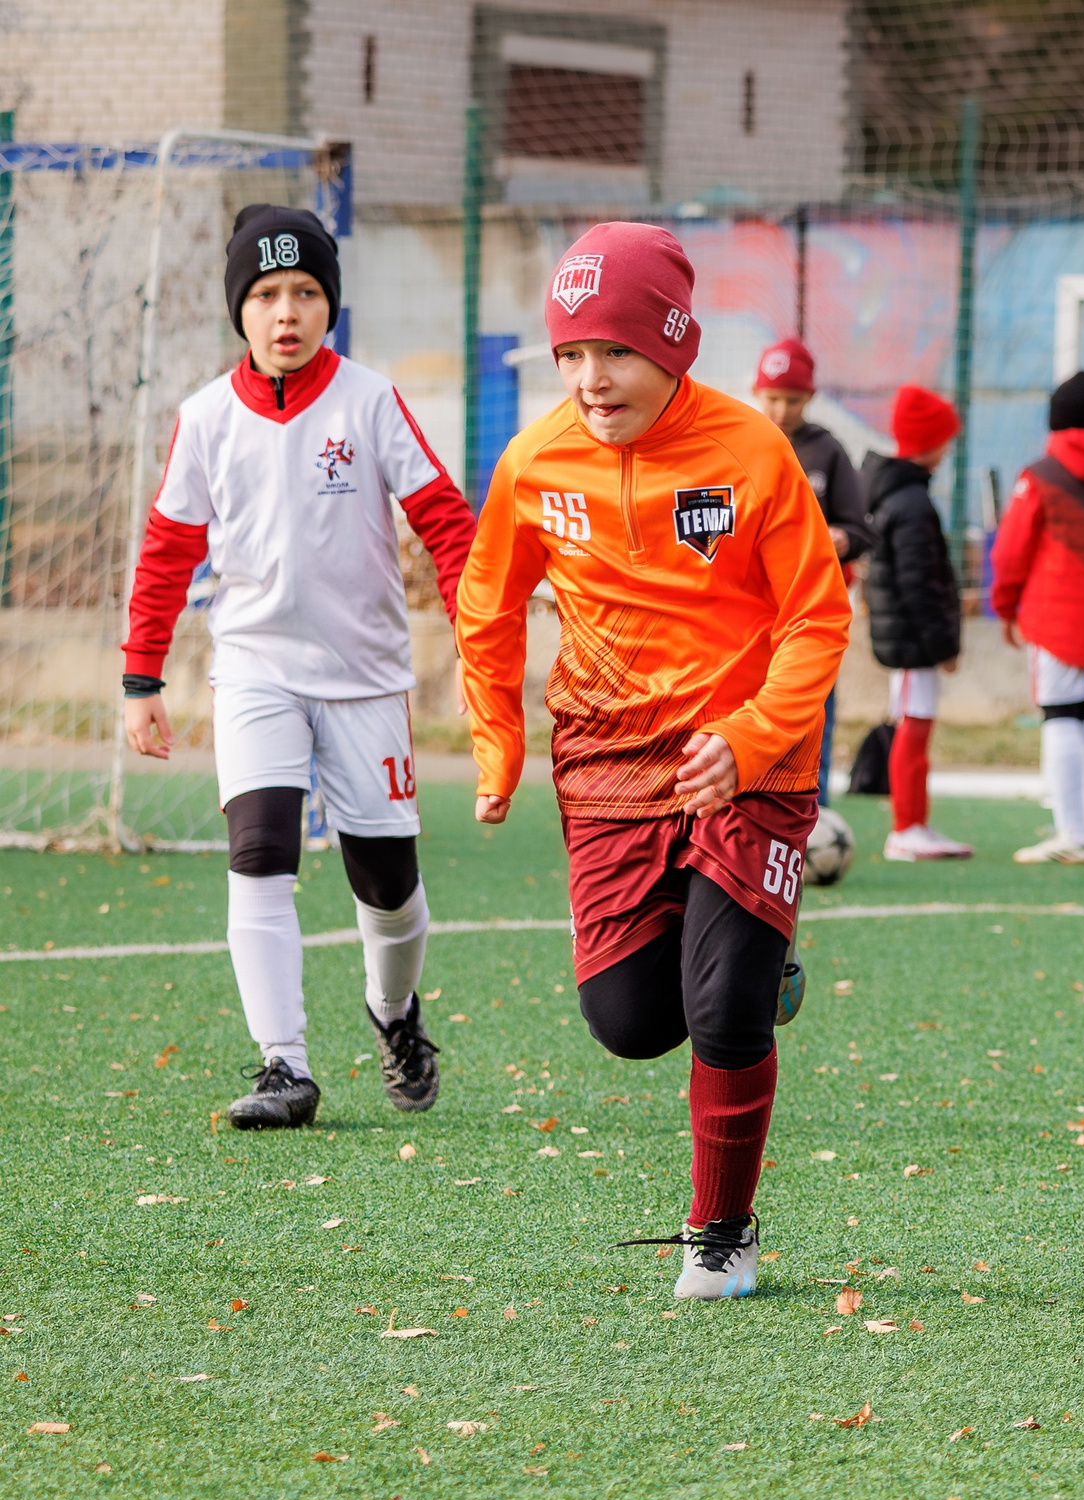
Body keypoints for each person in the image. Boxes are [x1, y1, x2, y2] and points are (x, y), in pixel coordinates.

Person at [454, 223, 850, 1301]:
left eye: (617, 353)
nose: (592, 379)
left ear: (674, 347)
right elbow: (484, 605)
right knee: (629, 1024)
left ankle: (721, 1232)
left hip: (746, 756)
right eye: (571, 356)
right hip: (611, 759)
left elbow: (818, 619)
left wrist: (754, 737)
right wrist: (497, 745)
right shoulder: (535, 463)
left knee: (719, 1011)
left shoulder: (751, 452)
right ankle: (757, 968)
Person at [121, 204, 474, 1130]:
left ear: (330, 306)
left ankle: (395, 1014)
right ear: (240, 308)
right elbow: (166, 550)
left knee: (385, 882)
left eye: (307, 293)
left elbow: (445, 518)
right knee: (260, 850)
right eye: (268, 294)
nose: (287, 312)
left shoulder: (369, 400)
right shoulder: (202, 418)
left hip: (364, 675)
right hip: (252, 668)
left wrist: (483, 631)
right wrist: (141, 678)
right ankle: (285, 1065)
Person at [988, 370, 1084, 863]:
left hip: (1054, 623)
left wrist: (1005, 604)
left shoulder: (1038, 477)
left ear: (1055, 421)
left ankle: (1072, 834)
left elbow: (1011, 551)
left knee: (1059, 716)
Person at [858, 384, 973, 860]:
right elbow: (919, 584)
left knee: (915, 724)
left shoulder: (902, 496)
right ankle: (906, 827)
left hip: (908, 638)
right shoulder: (911, 503)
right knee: (913, 726)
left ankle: (915, 822)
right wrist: (942, 644)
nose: (948, 450)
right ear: (930, 442)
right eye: (944, 440)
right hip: (912, 642)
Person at [749, 337, 866, 801]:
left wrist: (842, 538)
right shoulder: (740, 440)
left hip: (810, 610)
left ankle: (812, 812)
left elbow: (860, 527)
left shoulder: (827, 451)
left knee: (813, 709)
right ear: (757, 394)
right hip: (750, 611)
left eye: (792, 400)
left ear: (810, 398)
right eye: (772, 398)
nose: (780, 410)